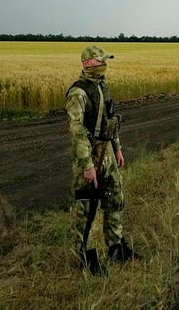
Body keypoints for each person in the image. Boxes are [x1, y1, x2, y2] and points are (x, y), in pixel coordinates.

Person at [66, 45, 139, 275]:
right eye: (101, 61)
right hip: (88, 156)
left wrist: (117, 148)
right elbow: (76, 131)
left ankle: (115, 247)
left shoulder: (103, 87)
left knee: (115, 197)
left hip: (107, 152)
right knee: (85, 209)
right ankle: (83, 256)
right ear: (88, 64)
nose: (105, 65)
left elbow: (110, 121)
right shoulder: (78, 93)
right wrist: (87, 165)